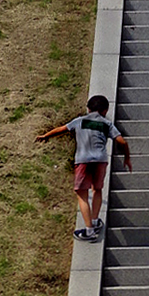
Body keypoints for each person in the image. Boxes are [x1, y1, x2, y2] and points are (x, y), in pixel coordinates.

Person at [35, 93, 132, 242]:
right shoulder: (106, 124)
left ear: (88, 108)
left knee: (82, 195)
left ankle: (89, 231)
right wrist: (127, 158)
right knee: (97, 189)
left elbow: (62, 129)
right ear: (105, 110)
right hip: (100, 160)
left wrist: (45, 136)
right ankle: (94, 220)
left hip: (83, 160)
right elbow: (122, 142)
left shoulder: (79, 121)